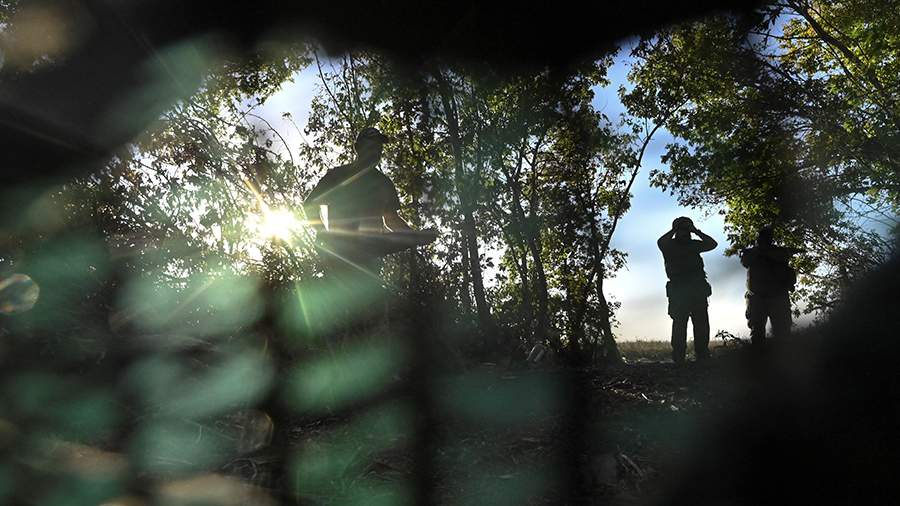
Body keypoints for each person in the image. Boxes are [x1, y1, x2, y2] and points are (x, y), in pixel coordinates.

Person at [302, 127, 435, 335]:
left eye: (379, 148)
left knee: (370, 315)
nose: (377, 152)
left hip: (370, 256)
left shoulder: (383, 183)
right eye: (372, 146)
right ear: (358, 148)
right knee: (342, 314)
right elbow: (310, 205)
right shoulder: (337, 175)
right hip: (340, 252)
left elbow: (391, 219)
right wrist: (322, 235)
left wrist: (416, 236)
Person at [657, 217, 718, 364]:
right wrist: (675, 229)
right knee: (679, 323)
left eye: (687, 229)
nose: (685, 232)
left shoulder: (693, 244)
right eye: (682, 229)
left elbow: (712, 244)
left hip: (697, 289)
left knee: (701, 323)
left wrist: (696, 230)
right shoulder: (669, 245)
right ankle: (679, 356)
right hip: (679, 290)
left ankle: (702, 354)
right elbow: (660, 241)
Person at [739, 225, 804, 349]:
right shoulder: (752, 253)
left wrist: (765, 253)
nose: (763, 240)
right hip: (758, 298)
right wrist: (759, 252)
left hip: (777, 297)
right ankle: (761, 359)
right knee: (757, 332)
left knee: (782, 333)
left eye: (766, 238)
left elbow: (783, 256)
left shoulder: (779, 252)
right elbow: (745, 261)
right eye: (763, 238)